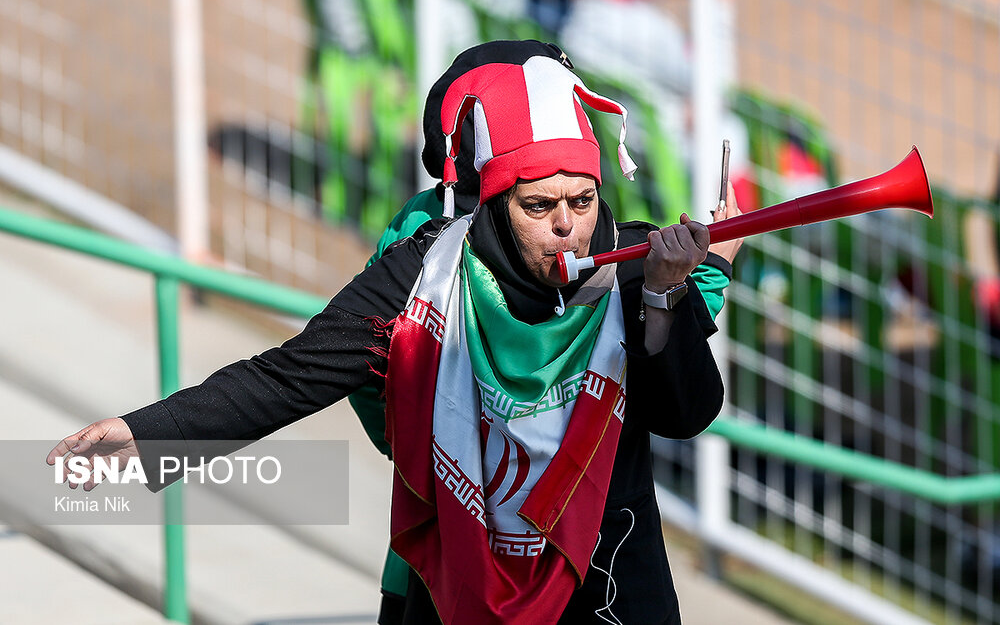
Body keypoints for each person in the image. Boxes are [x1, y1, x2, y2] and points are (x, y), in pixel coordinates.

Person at [49, 42, 728, 624]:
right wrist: (149, 437)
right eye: (538, 205)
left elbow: (685, 413)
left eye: (581, 201)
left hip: (607, 582)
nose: (566, 226)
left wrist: (669, 295)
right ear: (489, 198)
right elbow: (292, 375)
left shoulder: (639, 266)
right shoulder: (424, 270)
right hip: (454, 574)